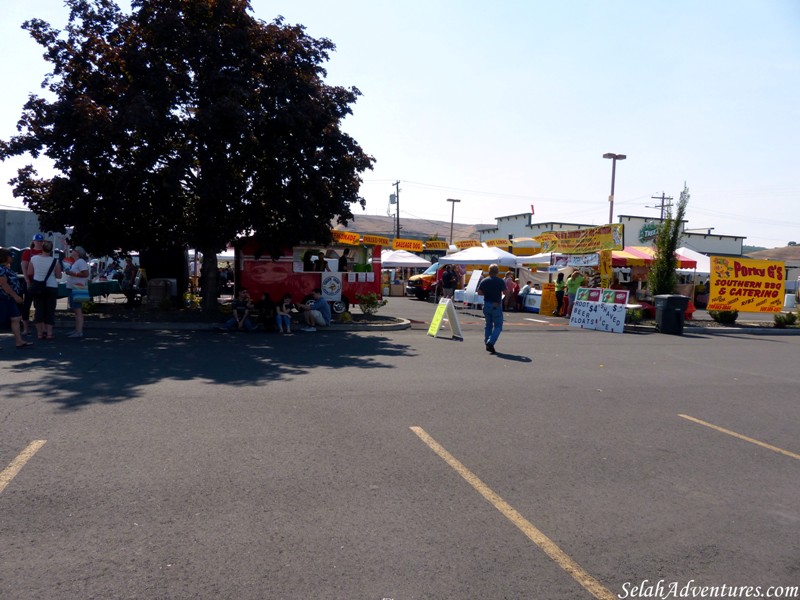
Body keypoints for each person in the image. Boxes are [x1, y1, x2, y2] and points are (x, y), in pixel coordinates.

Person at [27, 239, 61, 340]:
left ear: (42, 248)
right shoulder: (55, 261)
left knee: (39, 310)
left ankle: (40, 334)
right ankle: (49, 333)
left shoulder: (34, 259)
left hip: (38, 286)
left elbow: (29, 272)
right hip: (51, 286)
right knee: (50, 310)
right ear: (51, 250)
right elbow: (59, 276)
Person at [0, 248, 32, 349]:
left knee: (16, 318)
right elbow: (4, 284)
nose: (12, 257)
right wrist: (15, 296)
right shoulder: (1, 270)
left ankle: (19, 341)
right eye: (10, 256)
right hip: (3, 298)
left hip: (9, 299)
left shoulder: (6, 268)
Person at [20, 234, 45, 335]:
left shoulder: (45, 252)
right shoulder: (28, 252)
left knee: (40, 305)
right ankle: (26, 328)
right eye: (38, 241)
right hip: (31, 281)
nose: (40, 243)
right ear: (33, 241)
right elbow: (24, 267)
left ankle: (40, 328)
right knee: (27, 305)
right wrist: (27, 280)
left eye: (41, 241)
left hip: (41, 281)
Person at [477, 264, 505, 354]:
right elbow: (506, 292)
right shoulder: (500, 281)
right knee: (498, 326)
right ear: (497, 272)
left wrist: (487, 293)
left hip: (486, 304)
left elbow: (479, 293)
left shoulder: (484, 281)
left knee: (488, 325)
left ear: (489, 271)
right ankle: (490, 342)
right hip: (496, 305)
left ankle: (487, 342)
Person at [64, 246, 90, 338]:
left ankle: (79, 331)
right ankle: (77, 329)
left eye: (74, 250)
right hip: (73, 287)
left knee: (77, 310)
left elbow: (86, 274)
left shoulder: (80, 262)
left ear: (78, 253)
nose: (72, 251)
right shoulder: (75, 262)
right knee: (75, 309)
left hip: (77, 287)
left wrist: (72, 273)